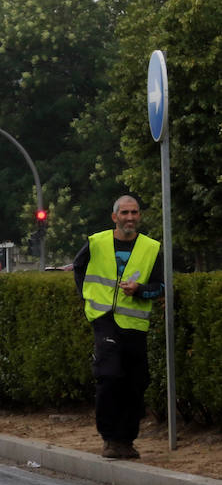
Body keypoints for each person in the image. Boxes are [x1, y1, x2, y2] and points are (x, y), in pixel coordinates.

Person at [73, 194, 164, 460]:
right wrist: (87, 297)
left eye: (134, 213)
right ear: (115, 217)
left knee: (135, 383)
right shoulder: (96, 242)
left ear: (139, 216)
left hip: (135, 324)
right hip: (105, 319)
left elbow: (159, 287)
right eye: (124, 213)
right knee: (109, 376)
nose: (130, 218)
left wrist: (139, 291)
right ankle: (110, 438)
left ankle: (127, 440)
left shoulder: (151, 248)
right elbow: (79, 269)